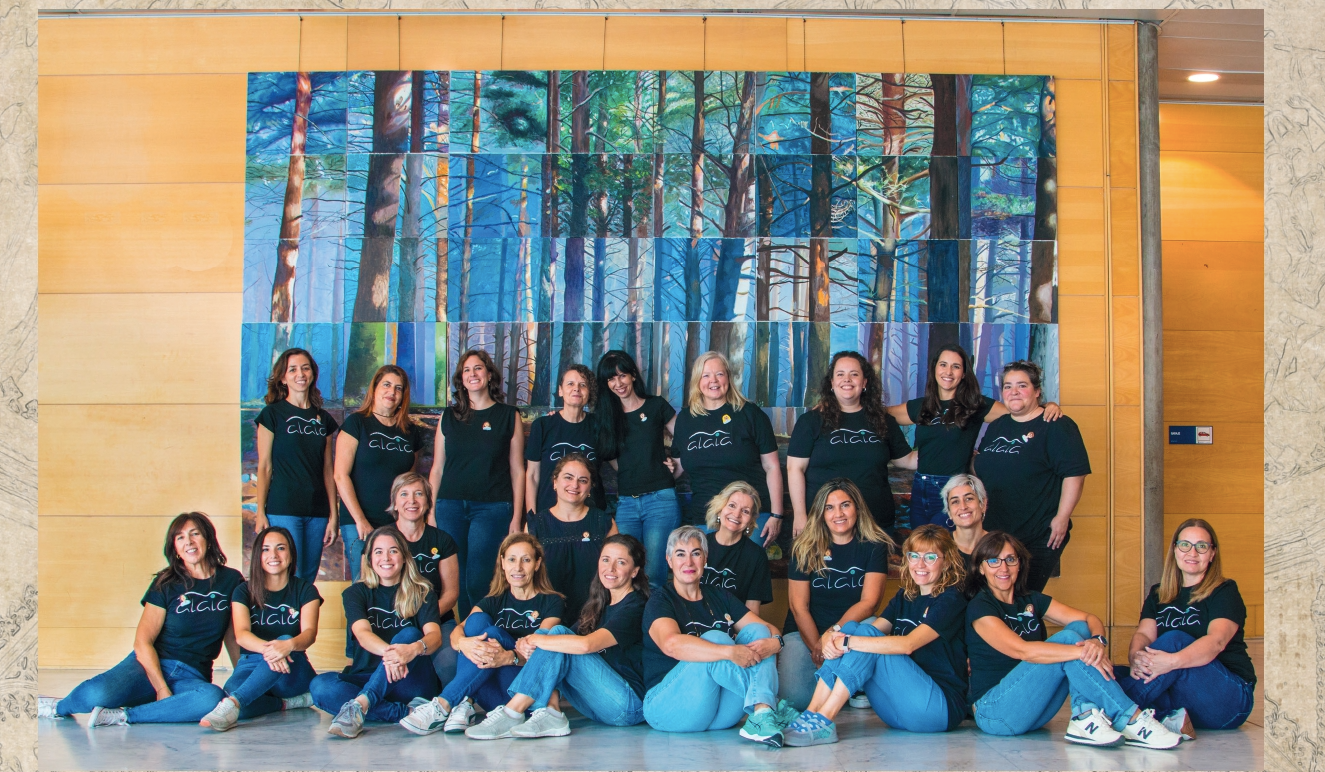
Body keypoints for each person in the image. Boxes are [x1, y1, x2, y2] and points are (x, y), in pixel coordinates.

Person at [965, 532, 1182, 749]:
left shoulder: (1030, 600)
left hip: (1035, 711)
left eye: (1010, 559)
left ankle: (1084, 714)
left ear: (1019, 565)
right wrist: (1081, 652)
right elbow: (1022, 651)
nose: (1003, 568)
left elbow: (1089, 619)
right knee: (1071, 640)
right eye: (993, 561)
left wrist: (1097, 642)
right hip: (994, 712)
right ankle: (1131, 718)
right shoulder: (980, 606)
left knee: (1079, 629)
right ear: (981, 568)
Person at [39, 514, 243, 726]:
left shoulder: (231, 580)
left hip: (192, 675)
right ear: (174, 547)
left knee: (211, 698)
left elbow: (233, 637)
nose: (188, 542)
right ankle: (57, 707)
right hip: (149, 666)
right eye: (180, 537)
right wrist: (161, 688)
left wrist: (242, 683)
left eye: (195, 534)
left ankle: (123, 716)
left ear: (208, 539)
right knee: (96, 694)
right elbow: (142, 642)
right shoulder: (166, 583)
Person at [783, 526, 969, 745]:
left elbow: (908, 644)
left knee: (860, 634)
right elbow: (868, 630)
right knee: (853, 627)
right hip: (898, 712)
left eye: (930, 557)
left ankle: (825, 719)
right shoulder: (906, 596)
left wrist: (845, 641)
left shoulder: (951, 599)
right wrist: (834, 635)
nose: (920, 564)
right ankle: (813, 712)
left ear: (946, 562)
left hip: (938, 709)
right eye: (914, 556)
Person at [462, 535, 651, 739]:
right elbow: (555, 642)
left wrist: (532, 640)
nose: (610, 568)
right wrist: (533, 642)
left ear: (634, 571)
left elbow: (588, 645)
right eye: (605, 560)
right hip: (598, 704)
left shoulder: (636, 605)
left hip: (627, 704)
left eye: (620, 562)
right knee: (553, 637)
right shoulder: (600, 605)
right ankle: (551, 712)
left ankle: (512, 712)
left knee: (556, 635)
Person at [640, 525, 797, 745]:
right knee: (716, 638)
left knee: (758, 631)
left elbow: (768, 630)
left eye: (696, 553)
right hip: (668, 707)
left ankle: (762, 715)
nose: (688, 562)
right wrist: (729, 651)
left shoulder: (719, 595)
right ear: (669, 561)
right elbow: (671, 644)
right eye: (680, 554)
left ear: (705, 559)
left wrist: (776, 643)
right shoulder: (660, 600)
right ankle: (769, 707)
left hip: (717, 714)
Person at [398, 533, 564, 736]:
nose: (518, 567)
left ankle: (444, 704)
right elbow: (457, 631)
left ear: (537, 564)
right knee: (476, 623)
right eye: (511, 559)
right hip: (492, 696)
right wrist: (463, 643)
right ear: (502, 563)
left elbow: (542, 652)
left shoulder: (552, 602)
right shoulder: (494, 600)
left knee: (492, 632)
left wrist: (508, 657)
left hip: (526, 694)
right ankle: (464, 702)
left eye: (526, 560)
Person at [888, 344, 1060, 529]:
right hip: (920, 487)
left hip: (954, 489)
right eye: (943, 364)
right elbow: (880, 415)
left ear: (963, 373)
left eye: (956, 366)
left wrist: (1047, 406)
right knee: (923, 548)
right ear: (935, 369)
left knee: (951, 550)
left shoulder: (974, 404)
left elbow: (1019, 411)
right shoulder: (921, 406)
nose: (948, 371)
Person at [1117, 519, 1255, 734]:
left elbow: (1217, 641)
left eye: (1201, 546)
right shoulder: (1158, 593)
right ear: (1175, 550)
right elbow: (1144, 633)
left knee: (1175, 640)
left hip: (1229, 700)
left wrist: (1172, 661)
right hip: (1185, 698)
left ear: (1212, 553)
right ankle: (1170, 718)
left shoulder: (1224, 590)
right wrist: (1135, 656)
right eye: (1185, 545)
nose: (1192, 553)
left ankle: (1115, 710)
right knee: (1110, 671)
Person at [310, 526, 443, 738]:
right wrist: (392, 655)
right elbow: (362, 634)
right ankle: (405, 713)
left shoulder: (423, 591)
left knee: (409, 635)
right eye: (378, 552)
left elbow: (434, 636)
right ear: (369, 559)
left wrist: (412, 650)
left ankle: (361, 704)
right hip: (368, 675)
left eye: (393, 550)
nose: (386, 558)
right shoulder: (355, 593)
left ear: (404, 556)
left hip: (410, 682)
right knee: (320, 686)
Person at [973, 360, 1090, 592]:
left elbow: (1075, 474)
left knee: (1023, 598)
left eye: (1022, 385)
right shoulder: (997, 426)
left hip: (1037, 534)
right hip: (997, 534)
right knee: (996, 599)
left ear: (1037, 391)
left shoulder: (1057, 425)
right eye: (1007, 386)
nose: (1014, 391)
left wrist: (1063, 516)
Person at [778, 479, 893, 711]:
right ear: (820, 514)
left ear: (857, 508)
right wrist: (817, 647)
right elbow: (798, 607)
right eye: (829, 508)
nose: (838, 513)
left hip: (849, 631)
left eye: (845, 505)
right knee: (796, 700)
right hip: (804, 633)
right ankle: (845, 684)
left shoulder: (874, 545)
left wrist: (833, 635)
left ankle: (847, 686)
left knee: (873, 625)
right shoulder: (805, 546)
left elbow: (869, 603)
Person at [198, 526, 323, 731]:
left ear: (291, 554)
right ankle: (284, 704)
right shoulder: (243, 591)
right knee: (233, 691)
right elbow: (242, 634)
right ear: (258, 555)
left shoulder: (306, 590)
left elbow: (309, 634)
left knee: (282, 638)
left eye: (280, 548)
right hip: (252, 664)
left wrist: (288, 644)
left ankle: (233, 704)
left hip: (292, 666)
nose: (273, 555)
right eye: (265, 549)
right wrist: (272, 651)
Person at [430, 349, 526, 613]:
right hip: (449, 507)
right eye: (467, 370)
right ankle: (463, 638)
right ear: (461, 379)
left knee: (479, 579)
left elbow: (519, 470)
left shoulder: (508, 416)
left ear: (489, 374)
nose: (472, 374)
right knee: (454, 579)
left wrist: (517, 517)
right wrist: (431, 512)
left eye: (478, 368)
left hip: (492, 508)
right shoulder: (448, 417)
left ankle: (482, 635)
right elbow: (437, 469)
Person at [788, 351, 915, 540]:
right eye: (840, 374)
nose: (847, 379)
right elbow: (794, 468)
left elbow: (907, 460)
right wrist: (800, 516)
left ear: (864, 383)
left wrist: (957, 453)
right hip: (824, 524)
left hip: (875, 523)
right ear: (831, 382)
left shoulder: (883, 420)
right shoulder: (811, 421)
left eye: (854, 374)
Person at [670, 351, 783, 546]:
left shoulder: (750, 414)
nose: (713, 380)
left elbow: (772, 467)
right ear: (697, 380)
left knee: (744, 573)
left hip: (750, 516)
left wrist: (777, 514)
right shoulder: (686, 420)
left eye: (719, 374)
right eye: (706, 375)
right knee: (710, 574)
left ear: (728, 378)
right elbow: (678, 464)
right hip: (705, 517)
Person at [592, 350, 682, 591]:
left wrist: (676, 465)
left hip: (660, 501)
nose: (618, 383)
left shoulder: (656, 406)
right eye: (611, 379)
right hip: (627, 505)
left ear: (633, 375)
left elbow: (685, 440)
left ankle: (655, 627)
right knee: (626, 573)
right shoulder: (607, 416)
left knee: (653, 575)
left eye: (622, 376)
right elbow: (612, 458)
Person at [253, 348, 339, 581]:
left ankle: (305, 619)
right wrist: (260, 511)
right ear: (283, 377)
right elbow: (265, 467)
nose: (300, 374)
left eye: (305, 368)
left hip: (317, 511)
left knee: (308, 578)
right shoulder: (272, 415)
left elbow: (328, 470)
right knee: (289, 574)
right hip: (284, 508)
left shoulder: (324, 419)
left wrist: (333, 515)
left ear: (312, 373)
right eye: (292, 369)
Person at [335, 365, 423, 581]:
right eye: (386, 385)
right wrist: (360, 520)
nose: (391, 392)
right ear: (374, 388)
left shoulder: (411, 432)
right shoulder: (357, 423)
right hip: (359, 521)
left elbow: (410, 482)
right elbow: (340, 475)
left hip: (396, 523)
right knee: (364, 583)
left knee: (397, 584)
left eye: (398, 388)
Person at [390, 473, 462, 686]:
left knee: (450, 665)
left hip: (439, 620)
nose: (411, 501)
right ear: (395, 502)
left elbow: (451, 593)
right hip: (393, 621)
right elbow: (370, 590)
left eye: (419, 494)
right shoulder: (382, 539)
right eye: (404, 494)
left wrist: (426, 619)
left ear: (428, 501)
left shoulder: (442, 540)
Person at [525, 454, 617, 620]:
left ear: (590, 488)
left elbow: (617, 574)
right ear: (555, 482)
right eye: (568, 477)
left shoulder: (604, 522)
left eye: (583, 480)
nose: (575, 485)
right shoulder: (536, 524)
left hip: (595, 615)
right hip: (545, 617)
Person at [525, 365, 605, 517]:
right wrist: (531, 514)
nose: (576, 389)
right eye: (570, 384)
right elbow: (532, 475)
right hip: (548, 513)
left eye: (583, 385)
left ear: (589, 392)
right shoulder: (542, 425)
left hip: (592, 514)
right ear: (560, 391)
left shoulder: (599, 426)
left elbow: (618, 462)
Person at [700, 482, 773, 615]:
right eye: (732, 506)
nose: (737, 514)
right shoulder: (699, 545)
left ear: (750, 521)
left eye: (745, 511)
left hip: (735, 626)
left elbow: (752, 610)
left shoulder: (756, 556)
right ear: (720, 508)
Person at [943, 473, 990, 579]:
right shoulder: (940, 547)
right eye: (955, 501)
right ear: (949, 512)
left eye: (969, 499)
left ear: (983, 504)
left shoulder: (998, 546)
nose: (963, 506)